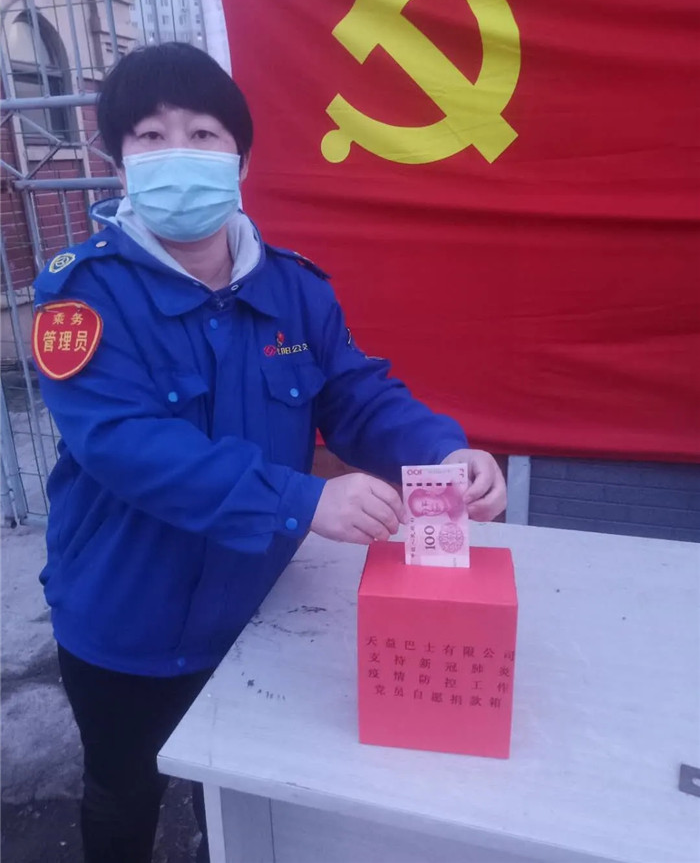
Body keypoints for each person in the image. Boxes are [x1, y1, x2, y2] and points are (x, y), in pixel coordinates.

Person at [32, 42, 506, 863]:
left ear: (241, 159)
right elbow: (125, 443)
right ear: (119, 163)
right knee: (124, 790)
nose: (178, 153)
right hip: (124, 616)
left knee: (242, 800)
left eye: (203, 133)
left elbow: (354, 393)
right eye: (150, 135)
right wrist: (304, 499)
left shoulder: (294, 288)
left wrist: (444, 449)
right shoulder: (81, 298)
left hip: (257, 609)